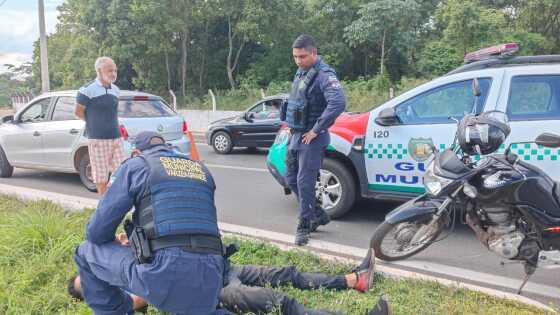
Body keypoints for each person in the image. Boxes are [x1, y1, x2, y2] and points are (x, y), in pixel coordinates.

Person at [73, 131, 229, 315]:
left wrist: (117, 243)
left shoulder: (138, 165)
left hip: (164, 272)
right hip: (213, 278)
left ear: (137, 152)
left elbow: (96, 232)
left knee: (85, 250)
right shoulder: (202, 170)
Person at [70, 247, 391, 315]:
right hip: (216, 292)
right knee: (283, 303)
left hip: (220, 269)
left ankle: (354, 280)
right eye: (87, 286)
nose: (93, 279)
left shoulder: (119, 263)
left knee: (286, 274)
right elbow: (148, 297)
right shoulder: (125, 297)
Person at [280, 34, 346, 246]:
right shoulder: (302, 71)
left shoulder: (324, 74)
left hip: (312, 137)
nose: (298, 60)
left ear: (314, 53)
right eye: (295, 57)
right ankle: (318, 213)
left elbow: (338, 103)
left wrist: (317, 129)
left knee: (304, 182)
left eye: (303, 56)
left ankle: (304, 225)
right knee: (290, 178)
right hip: (297, 134)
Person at [74, 56, 125, 195]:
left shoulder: (116, 90)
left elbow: (112, 113)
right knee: (101, 175)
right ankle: (104, 206)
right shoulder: (87, 90)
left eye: (115, 70)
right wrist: (95, 124)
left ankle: (117, 201)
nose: (113, 74)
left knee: (122, 172)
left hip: (116, 138)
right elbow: (78, 112)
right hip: (98, 139)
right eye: (109, 71)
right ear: (99, 70)